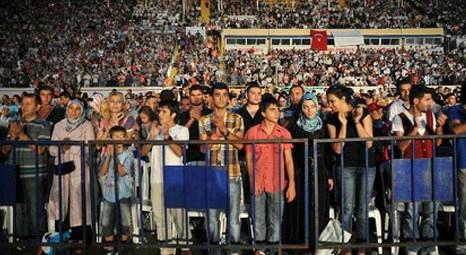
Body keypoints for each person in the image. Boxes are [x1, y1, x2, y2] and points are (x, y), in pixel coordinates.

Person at [392, 86, 446, 255]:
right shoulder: (399, 118)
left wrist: (439, 128)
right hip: (410, 168)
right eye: (427, 100)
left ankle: (429, 244)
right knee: (411, 210)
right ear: (416, 101)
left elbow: (437, 143)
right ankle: (412, 245)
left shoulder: (431, 116)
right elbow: (401, 146)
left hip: (429, 166)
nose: (430, 104)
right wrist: (414, 129)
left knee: (431, 208)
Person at [326, 85, 375, 255]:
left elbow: (368, 142)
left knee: (362, 208)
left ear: (343, 100)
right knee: (346, 208)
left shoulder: (363, 112)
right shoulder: (332, 119)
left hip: (366, 164)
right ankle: (344, 248)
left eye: (332, 101)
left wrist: (356, 121)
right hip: (344, 165)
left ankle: (361, 248)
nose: (329, 105)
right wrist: (344, 124)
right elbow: (337, 148)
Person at [244, 96, 296, 254]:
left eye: (277, 109)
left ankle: (273, 251)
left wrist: (291, 183)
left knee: (275, 220)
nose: (277, 112)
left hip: (277, 182)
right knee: (258, 220)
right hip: (258, 181)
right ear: (263, 113)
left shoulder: (284, 133)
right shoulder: (252, 133)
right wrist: (253, 181)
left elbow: (288, 160)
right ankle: (259, 251)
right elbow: (249, 160)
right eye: (272, 109)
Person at [199, 82, 244, 253]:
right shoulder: (204, 120)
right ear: (211, 98)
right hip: (211, 175)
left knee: (234, 217)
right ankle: (214, 250)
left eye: (224, 94)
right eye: (217, 94)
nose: (221, 98)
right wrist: (214, 134)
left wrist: (225, 131)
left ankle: (234, 249)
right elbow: (203, 148)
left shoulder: (237, 119)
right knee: (212, 217)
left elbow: (240, 145)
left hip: (232, 173)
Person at [285, 92, 333, 246]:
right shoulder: (295, 126)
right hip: (300, 171)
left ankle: (318, 240)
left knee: (319, 203)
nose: (309, 110)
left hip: (319, 171)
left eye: (312, 107)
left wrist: (329, 174)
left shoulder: (323, 126)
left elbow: (327, 152)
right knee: (302, 204)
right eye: (306, 107)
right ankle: (301, 241)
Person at [0, 92, 51, 238]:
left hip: (35, 173)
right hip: (14, 171)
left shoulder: (44, 124)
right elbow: (4, 150)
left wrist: (21, 135)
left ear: (37, 107)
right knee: (18, 208)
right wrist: (14, 136)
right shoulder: (14, 123)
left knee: (36, 208)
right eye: (23, 104)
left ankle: (39, 240)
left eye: (29, 104)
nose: (24, 107)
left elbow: (41, 149)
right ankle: (20, 239)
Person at [142, 100, 189, 254]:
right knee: (159, 215)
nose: (160, 114)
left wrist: (167, 136)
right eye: (160, 111)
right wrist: (153, 136)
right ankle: (165, 248)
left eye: (164, 112)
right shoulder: (154, 130)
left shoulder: (182, 130)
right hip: (157, 176)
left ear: (173, 115)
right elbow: (143, 152)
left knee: (179, 214)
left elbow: (180, 152)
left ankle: (185, 244)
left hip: (174, 176)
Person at [48, 99, 95, 243]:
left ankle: (81, 238)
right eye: (71, 108)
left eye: (78, 109)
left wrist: (70, 146)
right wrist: (62, 148)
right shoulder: (59, 125)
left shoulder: (86, 125)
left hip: (79, 167)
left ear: (82, 111)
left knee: (79, 201)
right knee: (60, 200)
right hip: (62, 167)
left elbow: (89, 147)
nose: (74, 112)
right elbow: (52, 149)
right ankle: (60, 237)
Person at [98, 126, 135, 252]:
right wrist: (108, 157)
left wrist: (115, 156)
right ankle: (109, 246)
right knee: (107, 220)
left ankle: (124, 245)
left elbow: (123, 172)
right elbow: (102, 173)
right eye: (115, 136)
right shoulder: (106, 154)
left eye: (121, 136)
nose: (118, 139)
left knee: (125, 220)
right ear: (110, 138)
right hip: (109, 193)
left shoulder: (128, 154)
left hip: (123, 192)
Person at [446, 81, 466, 255]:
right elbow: (456, 130)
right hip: (464, 163)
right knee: (464, 206)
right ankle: (462, 242)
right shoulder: (455, 110)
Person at [178, 85, 212, 165]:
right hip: (189, 156)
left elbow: (212, 132)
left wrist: (200, 119)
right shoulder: (183, 115)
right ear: (189, 96)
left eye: (198, 95)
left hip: (207, 155)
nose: (196, 98)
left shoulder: (210, 113)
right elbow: (180, 134)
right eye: (193, 95)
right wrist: (191, 120)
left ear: (203, 96)